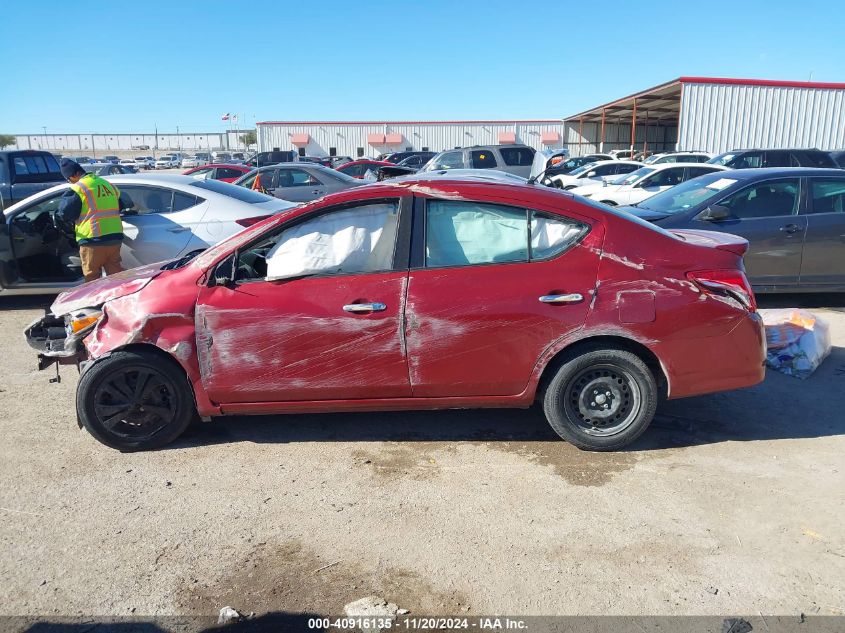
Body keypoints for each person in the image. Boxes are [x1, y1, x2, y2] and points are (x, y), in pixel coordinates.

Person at [56, 158, 125, 282]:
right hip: (114, 238)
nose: (70, 182)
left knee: (92, 279)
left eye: (69, 179)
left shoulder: (79, 188)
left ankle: (96, 302)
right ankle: (117, 300)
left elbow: (64, 213)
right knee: (116, 278)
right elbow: (121, 205)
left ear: (75, 174)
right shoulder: (107, 184)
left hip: (93, 240)